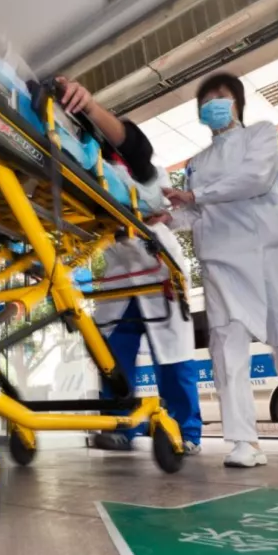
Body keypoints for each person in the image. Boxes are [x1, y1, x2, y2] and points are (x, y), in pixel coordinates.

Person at [161, 72, 278, 468]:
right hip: (221, 261)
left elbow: (256, 179)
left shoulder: (261, 133)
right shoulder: (196, 163)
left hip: (270, 253)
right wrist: (168, 217)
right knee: (226, 349)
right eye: (205, 101)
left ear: (237, 102)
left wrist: (195, 195)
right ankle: (244, 441)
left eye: (219, 97)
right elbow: (195, 212)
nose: (212, 105)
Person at [58, 79, 203, 455]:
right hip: (119, 278)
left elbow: (135, 146)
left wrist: (89, 105)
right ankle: (120, 425)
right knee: (114, 357)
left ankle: (186, 432)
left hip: (158, 272)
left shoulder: (147, 173)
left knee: (174, 359)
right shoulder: (89, 170)